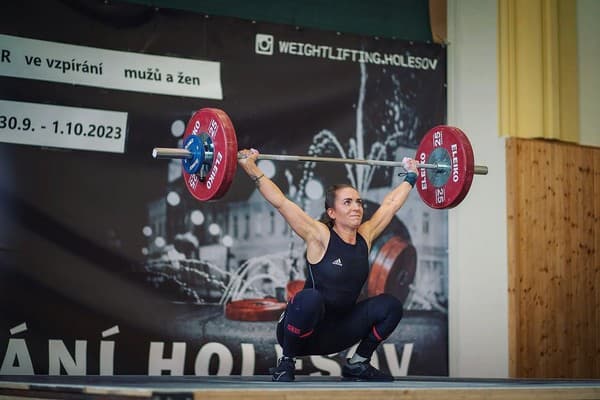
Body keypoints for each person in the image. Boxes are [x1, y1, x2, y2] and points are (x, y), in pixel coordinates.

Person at [237, 148, 418, 382]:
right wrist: (249, 166)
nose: (356, 207)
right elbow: (281, 202)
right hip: (300, 333)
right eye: (347, 202)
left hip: (338, 333)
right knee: (309, 298)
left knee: (391, 306)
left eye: (358, 202)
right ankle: (286, 362)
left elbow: (390, 205)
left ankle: (359, 363)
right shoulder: (319, 235)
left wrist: (412, 176)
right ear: (332, 212)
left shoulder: (366, 235)